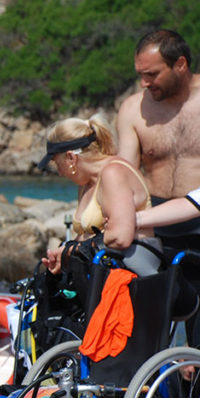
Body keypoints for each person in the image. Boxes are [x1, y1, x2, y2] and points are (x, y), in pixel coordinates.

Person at [37, 114, 160, 277]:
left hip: (132, 271)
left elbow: (120, 238)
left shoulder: (113, 173)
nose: (59, 173)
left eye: (58, 164)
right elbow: (92, 236)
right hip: (102, 269)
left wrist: (71, 250)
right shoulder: (87, 183)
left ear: (71, 158)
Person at [116, 30, 200, 204]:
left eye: (151, 74)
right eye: (141, 75)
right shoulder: (133, 109)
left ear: (180, 64)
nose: (144, 83)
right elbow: (125, 174)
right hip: (154, 216)